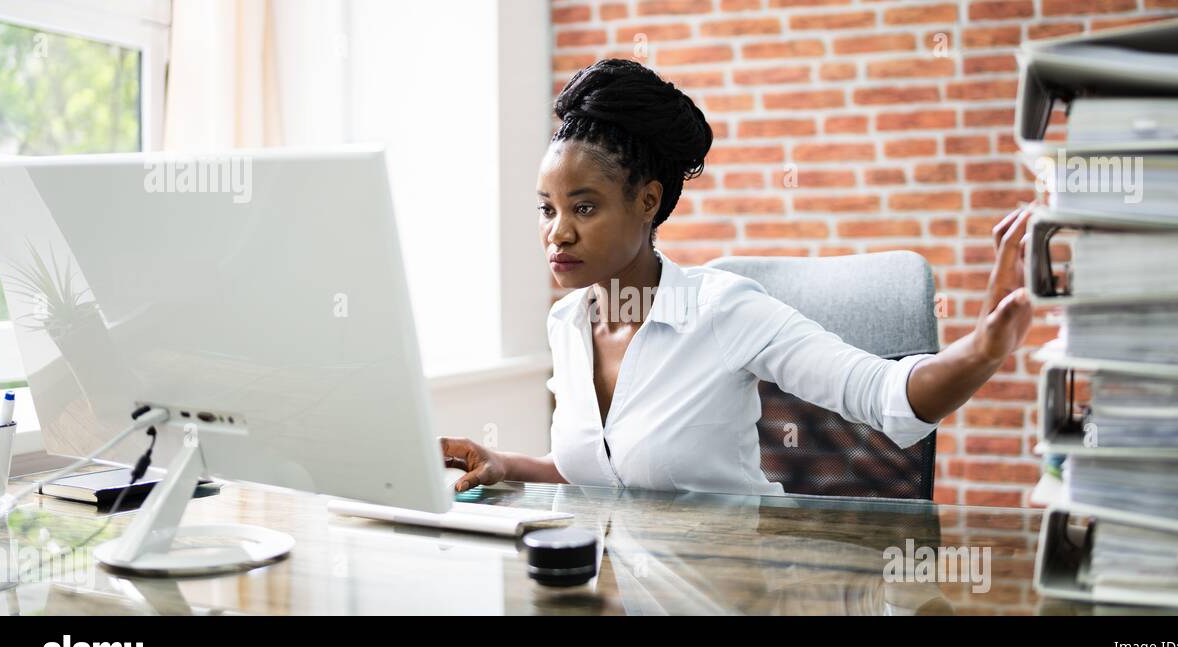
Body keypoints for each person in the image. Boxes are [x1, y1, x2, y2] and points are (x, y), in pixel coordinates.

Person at [440, 59, 1033, 495]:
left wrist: (983, 347)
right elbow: (601, 469)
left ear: (648, 202)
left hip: (733, 584)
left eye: (585, 208)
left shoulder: (724, 311)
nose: (557, 233)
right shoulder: (566, 324)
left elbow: (886, 395)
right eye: (548, 208)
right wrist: (507, 463)